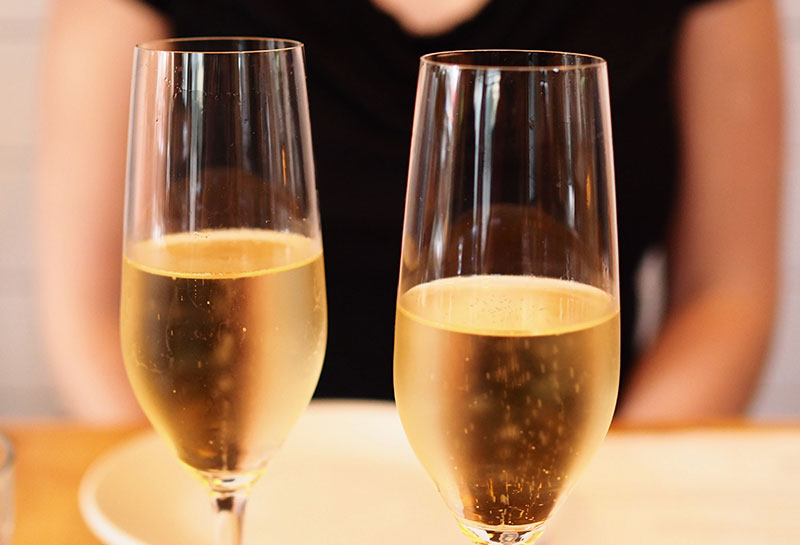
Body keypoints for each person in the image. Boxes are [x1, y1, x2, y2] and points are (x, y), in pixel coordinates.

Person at [36, 0, 781, 423]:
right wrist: (214, 495)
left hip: (576, 482)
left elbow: (726, 294)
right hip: (251, 488)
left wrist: (598, 491)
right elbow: (92, 311)